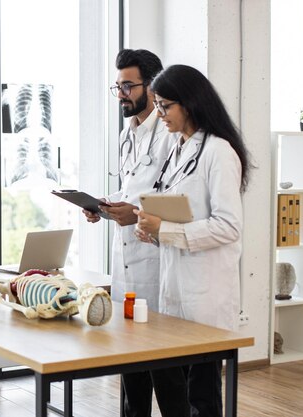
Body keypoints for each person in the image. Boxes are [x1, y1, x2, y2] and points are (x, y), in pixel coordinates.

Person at [135, 64, 251, 417]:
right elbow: (178, 211)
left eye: (166, 106)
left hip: (206, 295)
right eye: (157, 105)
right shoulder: (176, 147)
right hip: (175, 290)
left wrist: (165, 230)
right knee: (176, 397)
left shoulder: (219, 152)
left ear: (190, 103)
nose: (160, 114)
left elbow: (229, 226)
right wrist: (152, 231)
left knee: (202, 397)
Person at [83, 49, 189, 417]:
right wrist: (103, 204)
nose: (122, 94)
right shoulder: (125, 134)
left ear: (152, 84)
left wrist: (137, 213)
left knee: (167, 370)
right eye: (118, 87)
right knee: (130, 364)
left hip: (157, 259)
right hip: (126, 261)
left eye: (128, 86)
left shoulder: (172, 134)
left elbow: (179, 198)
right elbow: (131, 190)